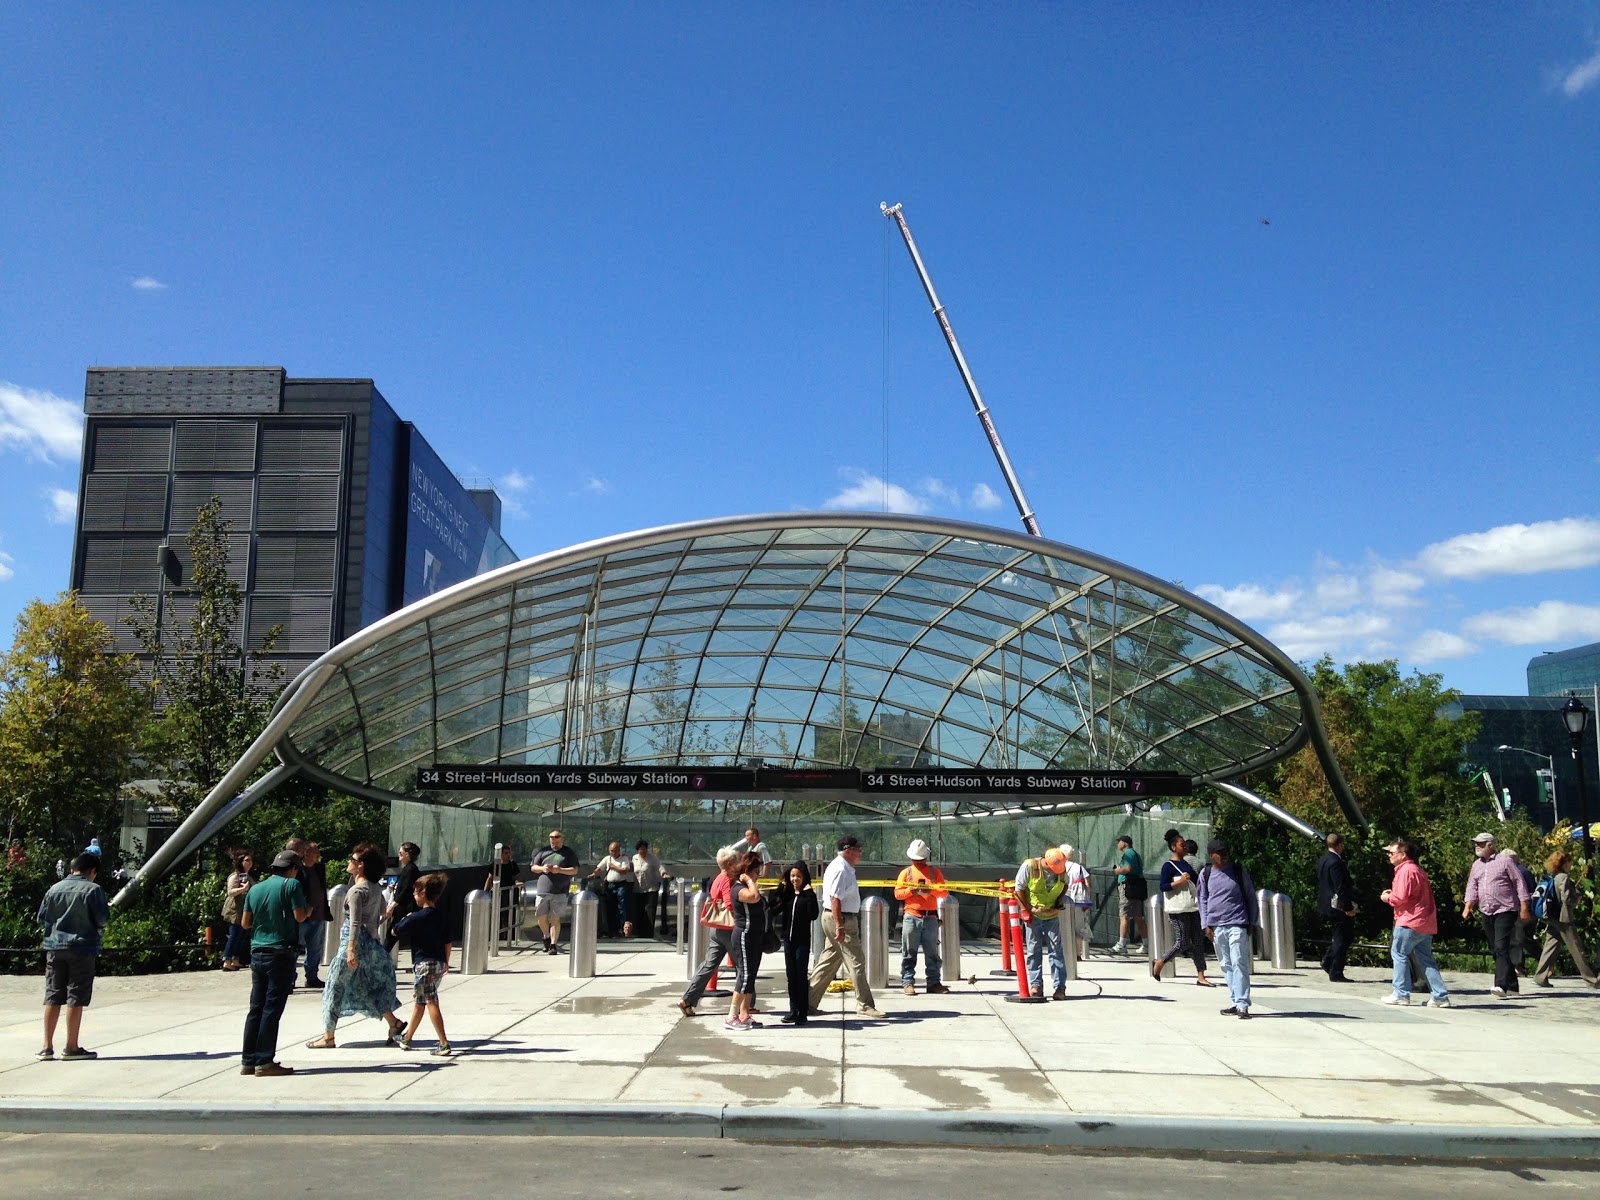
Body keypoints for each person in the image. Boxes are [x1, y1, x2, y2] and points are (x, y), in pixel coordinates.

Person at [306, 844, 404, 1050]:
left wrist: (350, 949)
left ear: (360, 866)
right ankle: (393, 1022)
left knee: (334, 987)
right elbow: (380, 915)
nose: (349, 863)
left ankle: (328, 1036)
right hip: (369, 943)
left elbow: (355, 922)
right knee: (364, 988)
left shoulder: (356, 891)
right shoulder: (376, 888)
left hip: (352, 943)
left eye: (352, 860)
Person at [240, 850, 311, 1076]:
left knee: (256, 1008)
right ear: (293, 869)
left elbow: (245, 923)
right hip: (280, 953)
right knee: (272, 1009)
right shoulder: (292, 886)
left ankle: (248, 1061)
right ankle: (264, 1061)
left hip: (257, 952)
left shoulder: (256, 888)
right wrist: (309, 910)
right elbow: (299, 916)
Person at [37, 852, 110, 1060]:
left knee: (53, 995)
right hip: (82, 948)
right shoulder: (93, 890)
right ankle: (71, 1046)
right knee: (75, 996)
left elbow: (41, 917)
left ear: (72, 869)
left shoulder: (54, 889)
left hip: (54, 947)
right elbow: (102, 919)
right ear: (92, 871)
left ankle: (46, 1046)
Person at [807, 836, 885, 1018]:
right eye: (858, 849)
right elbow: (835, 899)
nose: (860, 853)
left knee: (828, 962)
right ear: (848, 850)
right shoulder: (841, 869)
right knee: (856, 962)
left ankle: (808, 1003)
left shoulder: (844, 867)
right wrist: (840, 926)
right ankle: (864, 1005)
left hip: (837, 919)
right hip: (841, 920)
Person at [1379, 838, 1449, 1007]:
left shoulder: (1405, 871)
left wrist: (1387, 897)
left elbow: (1400, 898)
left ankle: (1400, 993)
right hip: (1425, 921)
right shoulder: (1417, 870)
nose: (1389, 855)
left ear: (1403, 855)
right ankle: (1440, 996)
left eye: (1392, 852)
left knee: (1399, 954)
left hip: (1409, 921)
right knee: (1426, 959)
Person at [1462, 831, 1530, 999]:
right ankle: (1513, 984)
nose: (1477, 847)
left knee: (1500, 947)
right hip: (1486, 910)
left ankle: (1501, 985)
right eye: (1476, 843)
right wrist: (1468, 905)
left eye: (1480, 844)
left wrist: (1524, 907)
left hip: (1505, 909)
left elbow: (1519, 883)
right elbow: (1472, 886)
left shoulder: (1505, 861)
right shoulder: (1476, 865)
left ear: (1490, 845)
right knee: (1496, 949)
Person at [392, 872, 454, 1054]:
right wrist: (446, 962)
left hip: (424, 964)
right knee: (421, 1001)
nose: (413, 894)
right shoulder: (442, 916)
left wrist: (405, 917)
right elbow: (447, 941)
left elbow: (396, 931)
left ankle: (443, 1043)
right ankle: (408, 1037)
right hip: (438, 963)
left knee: (430, 1000)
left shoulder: (416, 917)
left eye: (415, 891)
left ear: (423, 892)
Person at [1198, 838, 1258, 1019]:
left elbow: (1250, 896)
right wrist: (1205, 924)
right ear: (1211, 855)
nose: (1224, 856)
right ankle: (1234, 1000)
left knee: (1239, 961)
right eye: (1220, 853)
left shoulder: (1238, 871)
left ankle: (1242, 1004)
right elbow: (1202, 899)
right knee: (1226, 965)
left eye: (1226, 852)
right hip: (1216, 926)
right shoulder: (1206, 873)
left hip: (1237, 923)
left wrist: (1252, 922)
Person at [679, 847, 740, 1017]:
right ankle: (747, 1003)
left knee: (708, 965)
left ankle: (688, 999)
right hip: (728, 929)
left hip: (716, 928)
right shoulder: (728, 879)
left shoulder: (717, 879)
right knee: (742, 966)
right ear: (729, 863)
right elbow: (729, 904)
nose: (738, 864)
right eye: (735, 860)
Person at [1532, 850, 1598, 989]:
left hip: (1552, 916)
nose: (1571, 864)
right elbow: (1567, 899)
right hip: (1564, 918)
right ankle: (1591, 980)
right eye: (1569, 861)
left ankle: (1540, 976)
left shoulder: (1552, 876)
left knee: (1550, 946)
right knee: (1576, 948)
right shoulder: (1564, 878)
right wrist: (1577, 898)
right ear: (1564, 863)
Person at [1152, 829, 1211, 985]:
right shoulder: (1168, 866)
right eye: (1182, 845)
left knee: (1198, 942)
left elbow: (1198, 882)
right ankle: (1161, 962)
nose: (1185, 848)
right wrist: (1179, 882)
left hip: (1193, 906)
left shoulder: (1186, 864)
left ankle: (1201, 976)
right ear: (1173, 847)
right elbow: (1163, 886)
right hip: (1178, 909)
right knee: (1182, 941)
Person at [1014, 847, 1070, 1001]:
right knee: (1033, 951)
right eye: (1053, 870)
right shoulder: (1030, 866)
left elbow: (1065, 884)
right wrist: (1024, 910)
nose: (1054, 874)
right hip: (1034, 916)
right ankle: (1036, 985)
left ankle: (1060, 988)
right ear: (1047, 862)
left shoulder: (1062, 869)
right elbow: (1018, 889)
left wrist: (1059, 900)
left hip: (1051, 915)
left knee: (1056, 951)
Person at [895, 838, 949, 996]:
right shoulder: (906, 873)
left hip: (930, 918)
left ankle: (933, 982)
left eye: (921, 859)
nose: (919, 862)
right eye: (917, 859)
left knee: (932, 953)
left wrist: (930, 889)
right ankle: (908, 982)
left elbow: (944, 892)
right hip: (912, 916)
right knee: (909, 952)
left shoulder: (935, 872)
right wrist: (912, 891)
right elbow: (898, 894)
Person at [771, 859, 819, 1025]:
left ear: (804, 877)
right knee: (791, 976)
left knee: (800, 976)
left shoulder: (807, 896)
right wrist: (781, 888)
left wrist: (811, 893)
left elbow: (813, 915)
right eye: (792, 876)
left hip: (802, 942)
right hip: (788, 942)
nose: (795, 879)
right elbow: (774, 909)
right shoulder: (788, 895)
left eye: (798, 876)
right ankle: (793, 1009)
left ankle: (802, 1011)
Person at [727, 851, 768, 1030]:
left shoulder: (751, 887)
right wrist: (749, 881)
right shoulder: (738, 888)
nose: (758, 875)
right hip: (744, 934)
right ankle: (731, 1016)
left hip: (756, 935)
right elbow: (753, 897)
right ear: (746, 871)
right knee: (744, 975)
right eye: (756, 872)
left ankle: (744, 1014)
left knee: (751, 975)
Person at [285, 837, 329, 989]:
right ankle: (290, 978)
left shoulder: (319, 868)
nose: (318, 855)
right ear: (306, 853)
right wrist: (304, 908)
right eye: (316, 852)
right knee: (295, 948)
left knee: (315, 948)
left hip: (318, 915)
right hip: (302, 916)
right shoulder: (297, 870)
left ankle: (312, 977)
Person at [1317, 832, 1358, 982]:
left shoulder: (1323, 860)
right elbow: (1340, 887)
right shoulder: (1336, 862)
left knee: (1341, 937)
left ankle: (1329, 961)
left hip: (1326, 904)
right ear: (1339, 845)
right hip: (1337, 907)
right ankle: (1334, 969)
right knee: (1343, 938)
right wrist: (1347, 908)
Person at [530, 829, 580, 954]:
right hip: (543, 889)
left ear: (561, 839)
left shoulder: (568, 853)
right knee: (541, 916)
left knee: (555, 918)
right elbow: (533, 867)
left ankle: (553, 944)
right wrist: (543, 868)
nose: (554, 842)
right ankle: (546, 936)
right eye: (552, 839)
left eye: (557, 839)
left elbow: (575, 870)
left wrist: (560, 870)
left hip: (560, 890)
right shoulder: (543, 851)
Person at [589, 840, 635, 938]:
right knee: (610, 908)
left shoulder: (624, 859)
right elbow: (599, 868)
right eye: (611, 851)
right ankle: (611, 930)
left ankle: (622, 927)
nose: (613, 853)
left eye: (615, 851)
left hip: (621, 885)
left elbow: (624, 871)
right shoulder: (607, 859)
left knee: (621, 906)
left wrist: (613, 866)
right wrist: (593, 874)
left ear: (619, 850)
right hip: (610, 885)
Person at [1503, 848, 1537, 977]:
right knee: (1520, 938)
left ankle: (1519, 966)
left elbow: (1529, 891)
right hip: (1515, 908)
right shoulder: (1516, 870)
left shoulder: (1522, 871)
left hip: (1523, 908)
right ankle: (1520, 965)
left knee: (1519, 937)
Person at [1111, 834, 1147, 954]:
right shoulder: (1136, 854)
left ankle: (1122, 944)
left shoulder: (1128, 853)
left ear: (1124, 843)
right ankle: (1146, 944)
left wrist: (1118, 870)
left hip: (1128, 887)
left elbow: (1128, 869)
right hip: (1137, 887)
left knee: (1124, 915)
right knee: (1138, 916)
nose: (1118, 844)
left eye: (1119, 842)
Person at [221, 849, 256, 971]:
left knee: (241, 935)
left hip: (244, 909)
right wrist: (243, 889)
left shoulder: (248, 876)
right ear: (240, 862)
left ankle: (235, 960)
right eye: (247, 860)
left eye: (250, 860)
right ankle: (227, 960)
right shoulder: (235, 876)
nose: (250, 862)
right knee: (234, 935)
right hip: (235, 910)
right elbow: (230, 892)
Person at [384, 842, 422, 953]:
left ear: (407, 854)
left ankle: (380, 960)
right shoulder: (408, 869)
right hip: (404, 909)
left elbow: (406, 889)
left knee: (393, 935)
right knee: (399, 935)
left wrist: (393, 905)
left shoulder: (411, 869)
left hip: (406, 909)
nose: (399, 854)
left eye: (401, 852)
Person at [1058, 844, 1093, 962]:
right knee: (1078, 929)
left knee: (1063, 927)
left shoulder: (1058, 867)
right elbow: (1087, 885)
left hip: (1063, 900)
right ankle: (1078, 954)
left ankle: (1064, 952)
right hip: (1078, 900)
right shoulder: (1079, 868)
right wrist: (1087, 900)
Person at [484, 844, 521, 945]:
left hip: (509, 893)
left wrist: (518, 883)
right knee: (498, 915)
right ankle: (498, 936)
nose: (508, 855)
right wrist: (485, 892)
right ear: (500, 854)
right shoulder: (495, 865)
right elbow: (490, 878)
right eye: (505, 853)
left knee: (509, 914)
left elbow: (516, 878)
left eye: (509, 853)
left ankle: (508, 936)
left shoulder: (513, 865)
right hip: (498, 893)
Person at [630, 839, 665, 938]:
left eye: (644, 849)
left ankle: (649, 933)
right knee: (638, 910)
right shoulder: (634, 858)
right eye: (640, 849)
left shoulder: (652, 858)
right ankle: (638, 932)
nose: (642, 851)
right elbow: (630, 869)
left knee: (649, 911)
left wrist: (664, 873)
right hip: (637, 889)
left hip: (651, 889)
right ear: (637, 850)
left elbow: (660, 867)